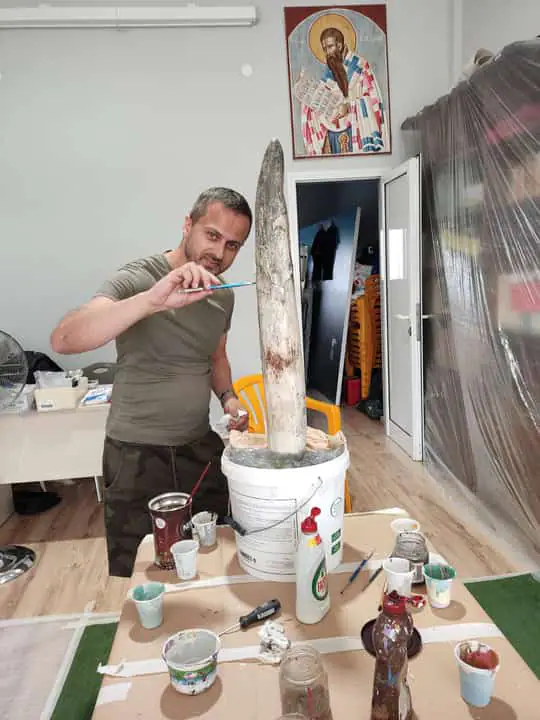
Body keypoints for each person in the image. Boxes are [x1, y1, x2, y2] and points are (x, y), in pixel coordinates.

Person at [50, 187, 252, 577]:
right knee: (139, 571)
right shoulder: (138, 277)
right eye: (212, 235)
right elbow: (64, 339)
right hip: (136, 454)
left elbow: (216, 357)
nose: (219, 252)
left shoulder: (222, 296)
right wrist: (152, 300)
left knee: (210, 557)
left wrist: (229, 398)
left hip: (198, 449)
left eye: (232, 245)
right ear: (188, 224)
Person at [297, 27, 389, 155]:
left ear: (339, 45)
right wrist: (305, 89)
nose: (327, 52)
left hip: (357, 129)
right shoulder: (329, 73)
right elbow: (320, 101)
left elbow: (372, 100)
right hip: (334, 135)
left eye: (330, 47)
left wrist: (349, 107)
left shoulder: (360, 66)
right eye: (324, 49)